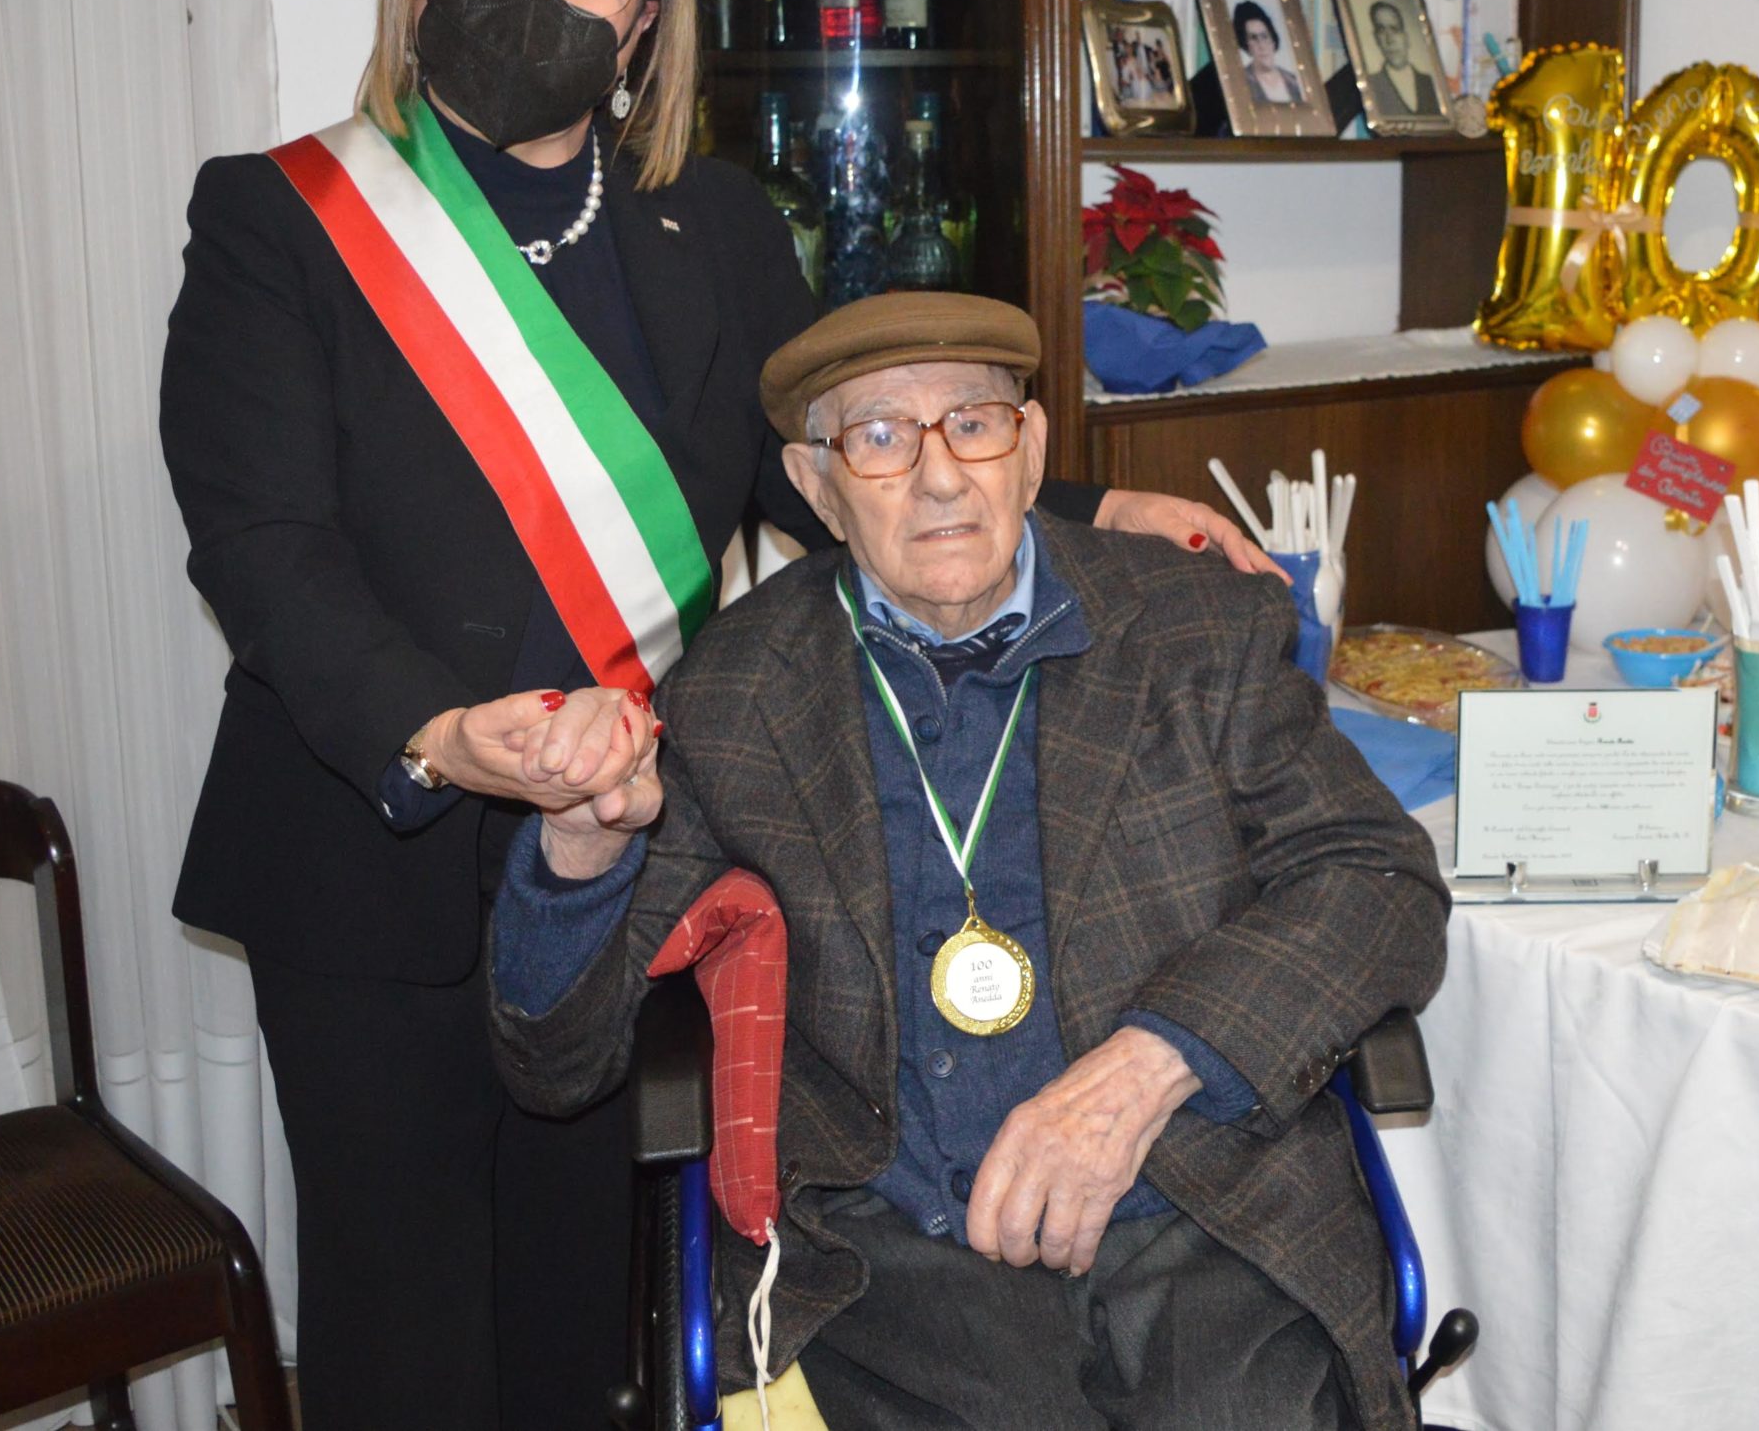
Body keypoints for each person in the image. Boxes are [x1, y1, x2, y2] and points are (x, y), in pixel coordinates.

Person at [158, 0, 1270, 1431]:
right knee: (405, 1332)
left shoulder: (715, 224)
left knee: (579, 1308)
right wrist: (446, 732)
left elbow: (829, 469)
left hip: (620, 857)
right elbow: (264, 548)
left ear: (642, 25)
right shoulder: (284, 219)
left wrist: (1094, 513)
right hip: (372, 854)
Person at [489, 290, 1451, 1431]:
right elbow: (557, 1063)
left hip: (1205, 1214)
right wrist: (582, 846)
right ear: (816, 487)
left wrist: (1150, 1064)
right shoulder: (737, 689)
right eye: (880, 437)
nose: (940, 477)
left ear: (1031, 449)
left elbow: (1375, 877)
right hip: (895, 1263)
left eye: (975, 424)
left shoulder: (1197, 626)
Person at [1363, 0, 1444, 117]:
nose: (1390, 39)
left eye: (1395, 29)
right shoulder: (1371, 85)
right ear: (1376, 39)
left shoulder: (1429, 83)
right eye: (1381, 30)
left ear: (1406, 37)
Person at [1233, 0, 1307, 105]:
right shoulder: (1241, 84)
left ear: (1273, 40)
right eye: (1253, 38)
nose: (1261, 45)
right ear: (1246, 45)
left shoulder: (1295, 81)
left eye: (1264, 36)